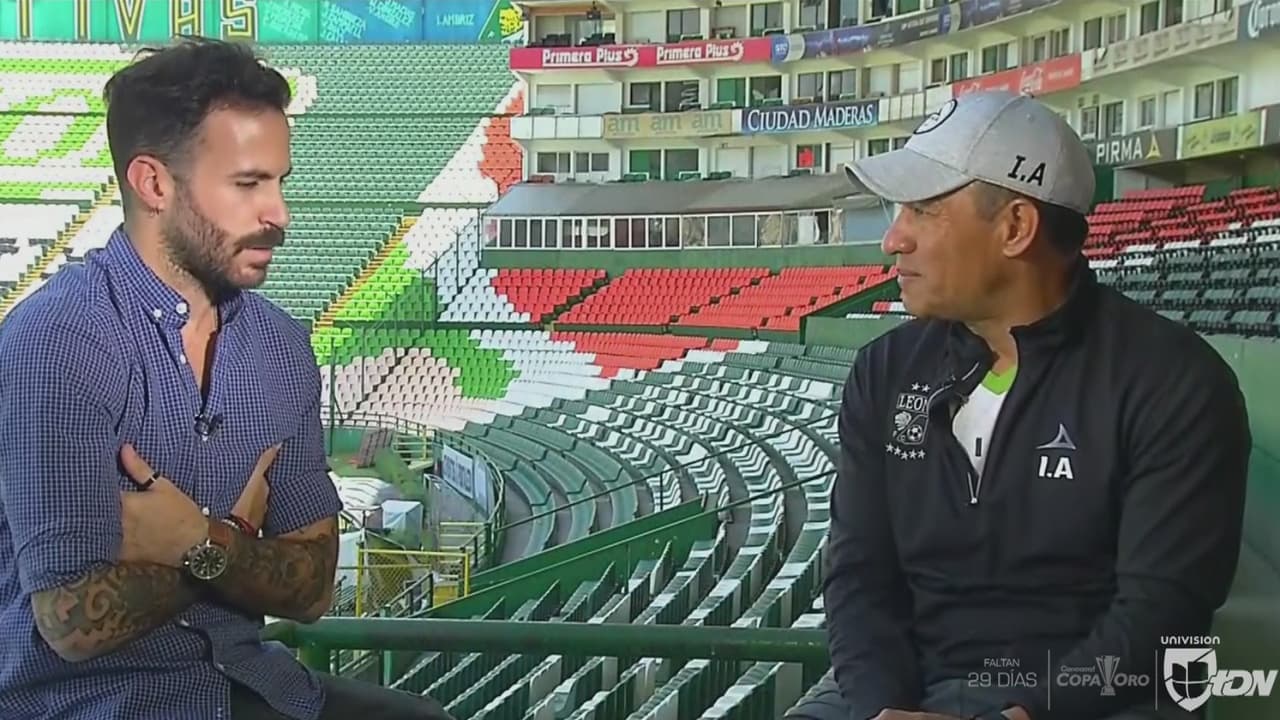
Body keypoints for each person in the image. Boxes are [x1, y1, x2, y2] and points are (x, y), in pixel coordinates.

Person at [0, 38, 453, 720]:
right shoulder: (60, 342)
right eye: (248, 185)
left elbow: (312, 588)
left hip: (254, 684)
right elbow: (71, 623)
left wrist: (198, 542)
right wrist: (240, 537)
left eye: (279, 182)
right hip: (88, 703)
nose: (278, 214)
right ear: (154, 184)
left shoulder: (280, 346)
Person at [797, 90, 1252, 720]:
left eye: (923, 210)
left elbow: (1161, 615)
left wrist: (1023, 714)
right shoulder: (883, 370)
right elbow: (857, 576)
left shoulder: (1175, 381)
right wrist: (883, 706)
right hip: (906, 686)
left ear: (1015, 227)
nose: (893, 240)